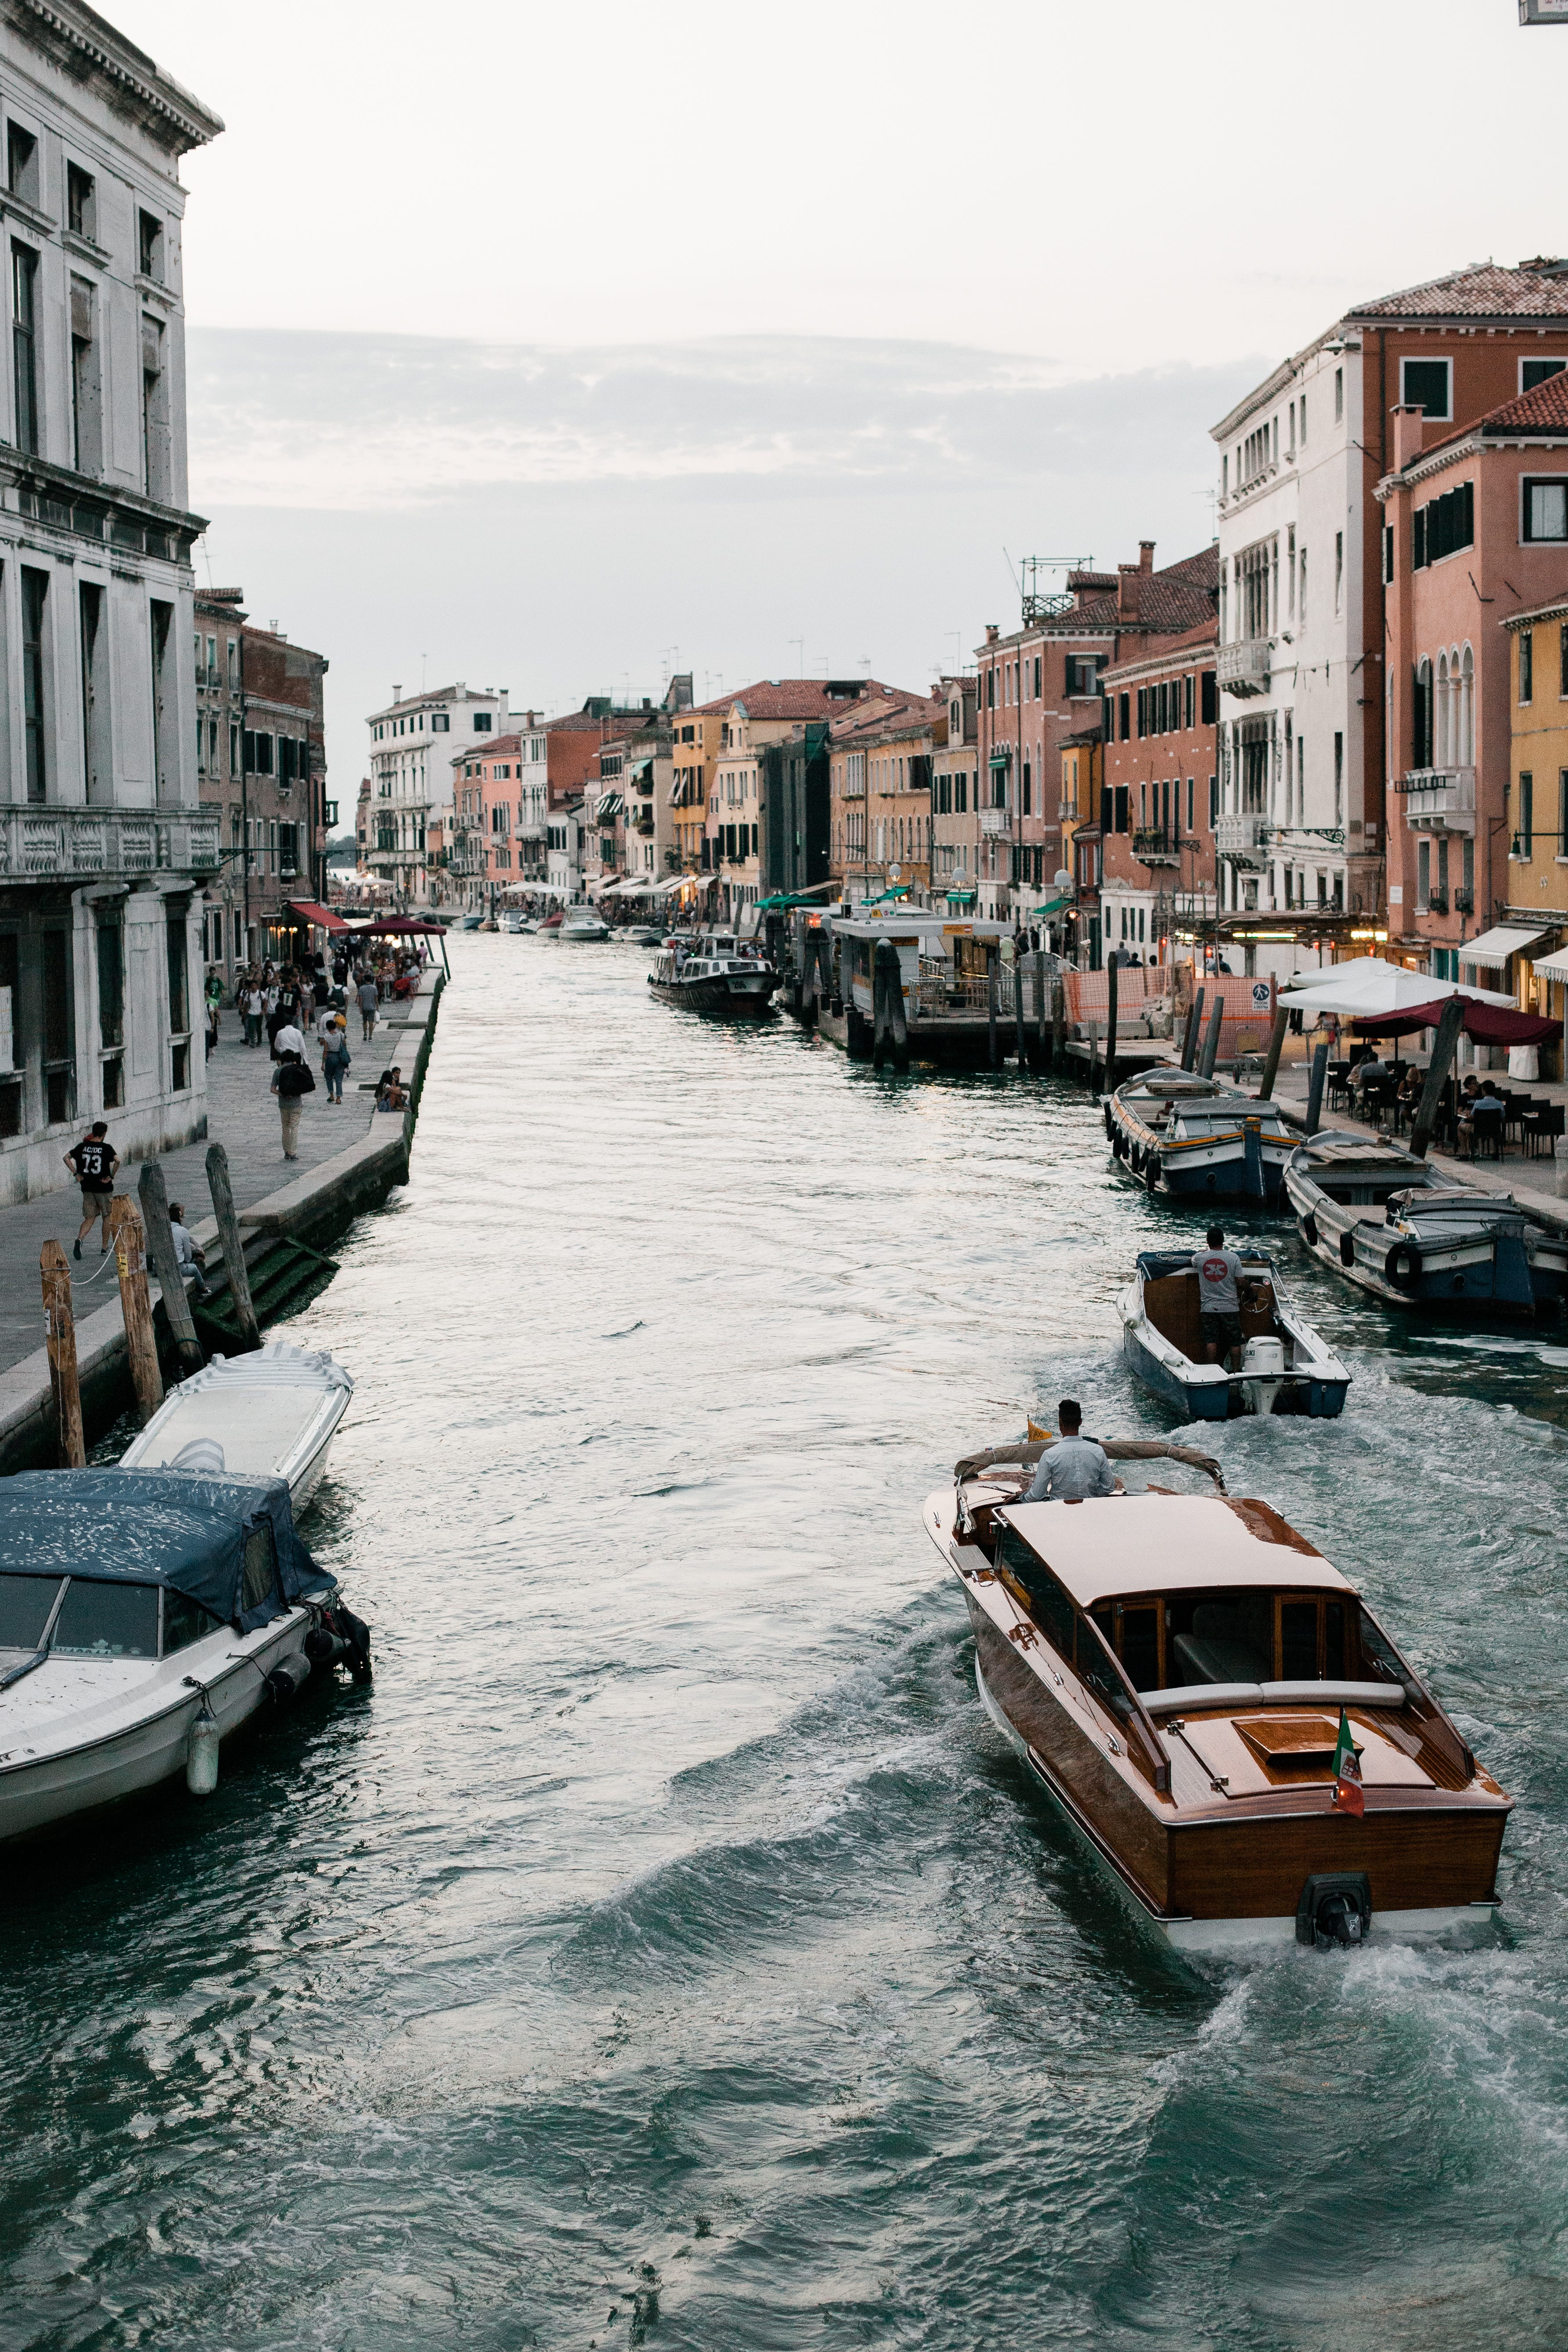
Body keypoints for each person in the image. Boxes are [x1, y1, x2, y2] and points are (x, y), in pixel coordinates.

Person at [1023, 1400, 1118, 1501]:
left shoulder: (1050, 1455)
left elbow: (1037, 1495)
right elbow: (1109, 1486)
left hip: (1060, 1511)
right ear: (1080, 1422)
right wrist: (1092, 1496)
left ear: (1060, 1422)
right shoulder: (1097, 1451)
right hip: (1090, 1510)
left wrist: (1023, 1497)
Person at [1192, 1223, 1247, 1366]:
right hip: (1230, 1308)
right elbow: (1240, 1282)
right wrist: (1251, 1288)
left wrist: (1202, 1252)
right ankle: (1235, 1374)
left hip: (1208, 1308)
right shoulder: (1234, 1258)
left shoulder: (1200, 1258)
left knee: (1211, 1340)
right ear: (1223, 1241)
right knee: (1235, 1342)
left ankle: (1212, 1372)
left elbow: (1192, 1260)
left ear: (1207, 1241)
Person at [65, 1120, 117, 1260]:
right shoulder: (106, 1148)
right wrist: (112, 1176)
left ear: (93, 1132)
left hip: (87, 1188)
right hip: (104, 1188)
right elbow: (118, 1161)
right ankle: (104, 1247)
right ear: (104, 1134)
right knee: (107, 1216)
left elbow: (66, 1158)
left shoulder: (82, 1147)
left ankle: (80, 1239)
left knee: (90, 1218)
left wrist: (76, 1174)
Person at [270, 1047, 315, 1160]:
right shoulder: (297, 1069)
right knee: (294, 1127)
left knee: (285, 1127)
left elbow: (273, 1089)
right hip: (296, 1103)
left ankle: (287, 1151)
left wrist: (283, 1094)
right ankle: (293, 1152)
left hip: (284, 1104)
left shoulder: (278, 1071)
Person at [167, 1202, 212, 1299]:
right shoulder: (182, 1231)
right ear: (179, 1217)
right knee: (194, 1268)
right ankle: (203, 1289)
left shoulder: (162, 1229)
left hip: (156, 1268)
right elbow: (187, 1258)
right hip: (174, 1268)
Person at [322, 1016, 352, 1104]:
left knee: (328, 1076)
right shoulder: (342, 1035)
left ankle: (331, 1095)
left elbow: (325, 1051)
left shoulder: (326, 1037)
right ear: (335, 1026)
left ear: (327, 1028)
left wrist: (323, 1063)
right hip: (340, 1057)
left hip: (330, 1057)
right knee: (339, 1078)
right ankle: (339, 1097)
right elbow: (345, 1046)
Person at [240, 972, 265, 1049]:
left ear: (257, 986)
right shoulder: (249, 995)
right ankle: (253, 1042)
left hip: (259, 1014)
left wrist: (263, 1010)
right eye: (252, 986)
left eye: (255, 985)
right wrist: (244, 1014)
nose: (254, 987)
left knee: (259, 1029)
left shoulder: (261, 993)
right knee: (252, 1028)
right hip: (251, 1014)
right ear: (251, 987)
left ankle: (259, 1041)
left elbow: (265, 1002)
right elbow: (246, 1005)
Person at [357, 970, 379, 1040]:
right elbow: (376, 999)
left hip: (365, 1007)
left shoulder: (361, 988)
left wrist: (360, 1008)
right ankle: (370, 1036)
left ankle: (365, 1034)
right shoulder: (374, 988)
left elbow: (360, 1000)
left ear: (365, 980)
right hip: (372, 1007)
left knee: (364, 1021)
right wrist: (377, 1007)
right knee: (371, 1022)